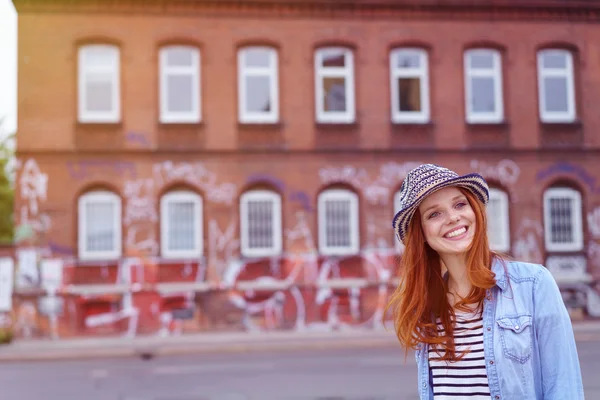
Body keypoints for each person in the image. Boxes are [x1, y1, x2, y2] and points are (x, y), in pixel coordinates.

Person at [386, 163, 584, 400]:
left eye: (460, 204)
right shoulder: (427, 310)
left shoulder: (533, 285)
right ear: (422, 235)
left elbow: (564, 389)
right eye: (434, 214)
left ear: (475, 211)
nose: (453, 217)